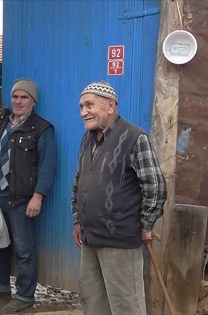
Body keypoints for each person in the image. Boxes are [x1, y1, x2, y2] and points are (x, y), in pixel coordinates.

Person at [71, 81, 167, 315]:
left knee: (126, 306)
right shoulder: (87, 139)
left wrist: (146, 225)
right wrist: (77, 220)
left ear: (110, 106)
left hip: (120, 240)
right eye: (82, 106)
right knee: (93, 302)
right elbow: (79, 180)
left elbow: (155, 185)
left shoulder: (135, 137)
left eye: (90, 105)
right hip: (89, 237)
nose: (84, 112)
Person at [0, 78, 57, 313]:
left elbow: (48, 166)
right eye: (15, 97)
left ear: (33, 101)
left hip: (22, 200)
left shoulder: (42, 129)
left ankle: (25, 295)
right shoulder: (4, 123)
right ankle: (0, 285)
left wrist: (38, 196)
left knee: (24, 248)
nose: (18, 101)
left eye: (24, 97)